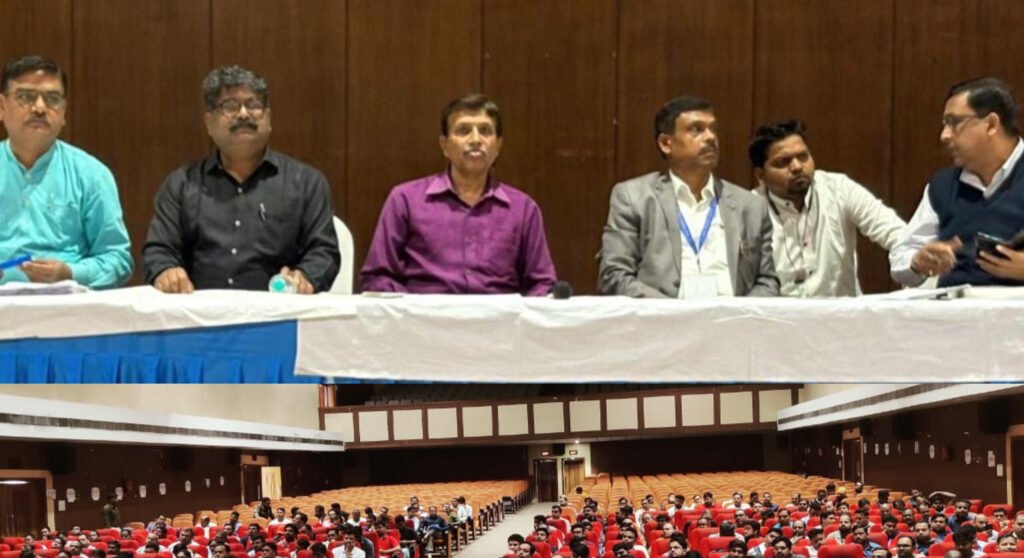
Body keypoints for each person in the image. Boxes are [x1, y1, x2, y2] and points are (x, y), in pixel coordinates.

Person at [143, 65, 340, 293]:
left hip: (279, 311)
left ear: (268, 118)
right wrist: (166, 271)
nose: (244, 114)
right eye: (230, 106)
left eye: (254, 104)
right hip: (200, 311)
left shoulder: (306, 183)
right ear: (209, 123)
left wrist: (305, 276)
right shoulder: (181, 185)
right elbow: (158, 250)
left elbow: (324, 252)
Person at [360, 93, 556, 295]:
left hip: (498, 314)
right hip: (425, 312)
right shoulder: (405, 200)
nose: (476, 139)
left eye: (485, 131)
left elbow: (542, 284)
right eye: (464, 131)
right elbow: (377, 277)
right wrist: (415, 307)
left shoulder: (523, 209)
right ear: (444, 145)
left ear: (498, 145)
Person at [598, 95, 778, 299]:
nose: (710, 137)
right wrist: (675, 312)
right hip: (663, 315)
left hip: (733, 316)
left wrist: (737, 313)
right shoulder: (634, 198)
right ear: (666, 143)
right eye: (696, 129)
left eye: (713, 129)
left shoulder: (751, 206)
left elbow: (767, 281)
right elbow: (614, 275)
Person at [0, 55, 131, 288]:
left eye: (52, 99)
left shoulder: (91, 174)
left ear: (63, 112)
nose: (40, 108)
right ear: (2, 107)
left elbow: (118, 260)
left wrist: (71, 273)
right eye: (26, 97)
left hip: (68, 303)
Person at [891, 78, 1024, 287]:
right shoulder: (943, 186)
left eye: (954, 123)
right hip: (956, 304)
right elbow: (902, 257)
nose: (944, 136)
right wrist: (918, 261)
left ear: (991, 125)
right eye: (945, 124)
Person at [748, 119, 904, 296]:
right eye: (783, 162)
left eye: (803, 156)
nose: (797, 167)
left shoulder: (839, 190)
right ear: (761, 175)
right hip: (778, 312)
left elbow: (896, 233)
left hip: (839, 311)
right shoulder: (749, 210)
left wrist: (913, 264)